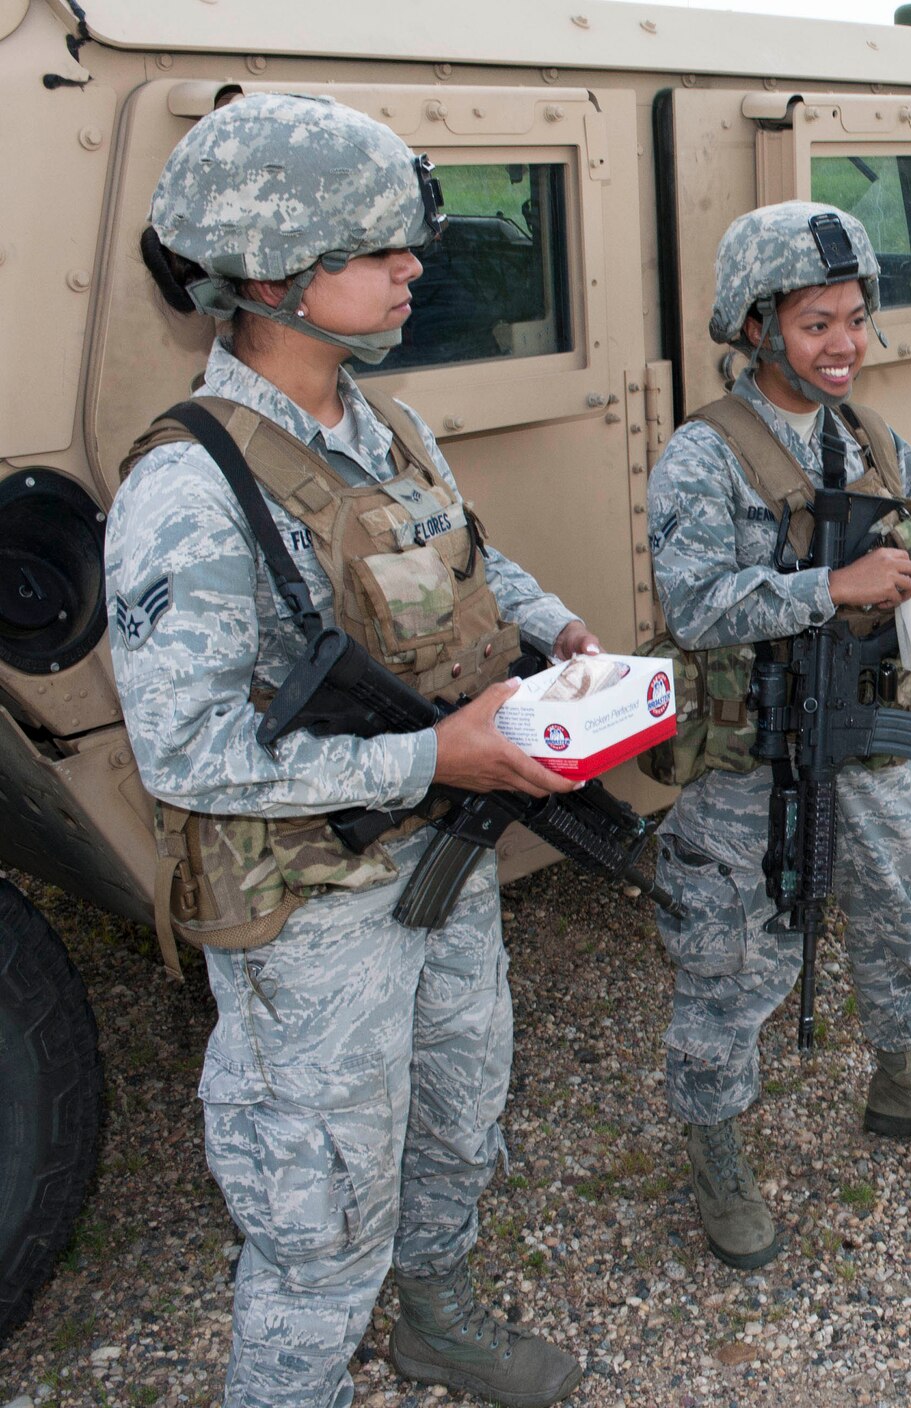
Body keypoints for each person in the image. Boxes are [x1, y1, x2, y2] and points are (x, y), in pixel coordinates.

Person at [106, 93, 593, 1408]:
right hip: (315, 922)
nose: (412, 269)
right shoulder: (189, 487)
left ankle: (437, 1318)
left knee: (454, 1120)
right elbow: (189, 751)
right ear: (275, 273)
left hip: (447, 866)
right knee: (316, 1221)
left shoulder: (388, 427)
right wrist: (433, 758)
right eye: (377, 250)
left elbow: (469, 562)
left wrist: (560, 635)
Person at [645, 202, 911, 1270]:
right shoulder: (702, 456)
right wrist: (829, 586)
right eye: (815, 324)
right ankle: (714, 1142)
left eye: (854, 318)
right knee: (735, 948)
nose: (844, 343)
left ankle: (904, 1078)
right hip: (756, 751)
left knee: (903, 899)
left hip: (867, 731)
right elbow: (695, 605)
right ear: (755, 327)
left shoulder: (870, 437)